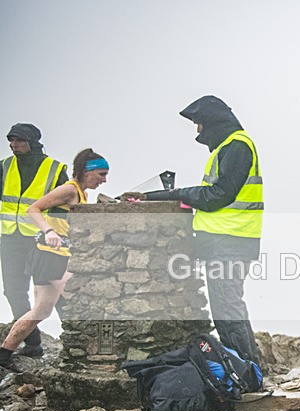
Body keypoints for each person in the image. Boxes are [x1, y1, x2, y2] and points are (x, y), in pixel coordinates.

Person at [123, 96, 264, 365]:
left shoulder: (236, 146)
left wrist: (172, 194)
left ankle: (245, 371)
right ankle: (248, 368)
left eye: (199, 124)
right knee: (229, 305)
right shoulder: (230, 146)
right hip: (228, 239)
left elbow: (218, 195)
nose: (198, 131)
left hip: (229, 240)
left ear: (212, 122)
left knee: (227, 307)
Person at [0, 148, 108, 371]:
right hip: (51, 257)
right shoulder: (69, 189)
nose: (104, 180)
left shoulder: (81, 193)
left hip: (54, 257)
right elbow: (34, 208)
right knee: (78, 300)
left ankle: (6, 353)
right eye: (101, 174)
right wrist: (49, 231)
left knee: (41, 311)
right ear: (87, 171)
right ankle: (86, 356)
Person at [0, 124, 69, 358]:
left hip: (43, 242)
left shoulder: (54, 168)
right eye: (11, 140)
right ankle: (32, 343)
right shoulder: (5, 166)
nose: (13, 145)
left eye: (18, 140)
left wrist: (58, 236)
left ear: (31, 141)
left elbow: (65, 208)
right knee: (14, 291)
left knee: (54, 292)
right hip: (11, 238)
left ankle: (72, 342)